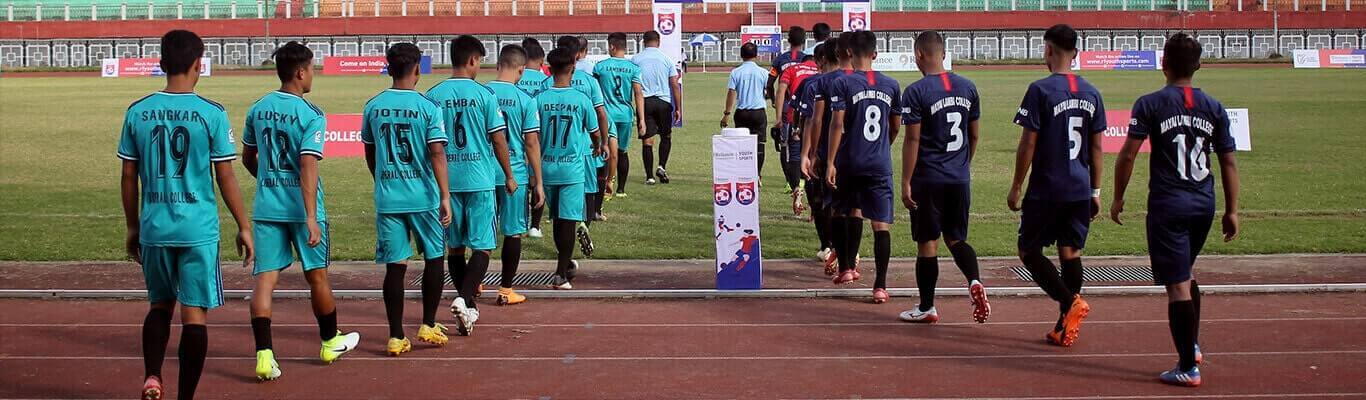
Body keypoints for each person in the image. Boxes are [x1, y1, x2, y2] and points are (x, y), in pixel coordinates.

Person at [118, 29, 254, 400]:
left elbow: (128, 176)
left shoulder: (138, 111)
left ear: (161, 63)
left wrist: (133, 226)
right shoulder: (211, 113)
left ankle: (152, 376)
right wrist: (244, 226)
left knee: (160, 305)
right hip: (198, 230)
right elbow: (225, 176)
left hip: (155, 228)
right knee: (194, 314)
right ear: (199, 63)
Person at [1110, 33, 1240, 387]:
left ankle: (1187, 366)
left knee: (1177, 285)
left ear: (1163, 63)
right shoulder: (1214, 106)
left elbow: (1128, 155)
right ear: (1198, 66)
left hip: (1169, 205)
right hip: (1204, 203)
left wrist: (1118, 197)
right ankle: (1192, 345)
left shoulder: (1150, 104)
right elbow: (1228, 161)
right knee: (1187, 273)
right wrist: (1232, 210)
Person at [242, 41, 361, 380]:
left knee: (265, 280)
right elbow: (308, 162)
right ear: (299, 72)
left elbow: (248, 157)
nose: (313, 75)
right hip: (301, 210)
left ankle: (264, 356)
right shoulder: (312, 114)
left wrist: (269, 181)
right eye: (311, 69)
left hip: (267, 208)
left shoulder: (258, 108)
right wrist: (310, 216)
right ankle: (330, 341)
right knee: (317, 276)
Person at [1008, 24, 1105, 347]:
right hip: (1079, 186)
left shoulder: (1040, 90)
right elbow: (1097, 148)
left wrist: (1016, 185)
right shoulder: (1092, 92)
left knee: (1028, 250)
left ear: (1048, 49)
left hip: (1048, 187)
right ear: (1075, 52)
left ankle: (1069, 303)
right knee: (1070, 251)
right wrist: (1095, 191)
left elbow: (1028, 143)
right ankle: (1064, 326)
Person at [361, 42, 454, 356]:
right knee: (434, 258)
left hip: (389, 197)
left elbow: (370, 152)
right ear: (417, 69)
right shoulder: (428, 107)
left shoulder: (373, 105)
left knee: (395, 267)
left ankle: (396, 335)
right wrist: (445, 195)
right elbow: (437, 153)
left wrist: (381, 179)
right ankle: (428, 324)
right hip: (423, 197)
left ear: (388, 68)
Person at [895, 31, 990, 324]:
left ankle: (927, 307)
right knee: (956, 237)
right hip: (958, 177)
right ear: (944, 53)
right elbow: (974, 135)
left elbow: (912, 140)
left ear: (918, 55)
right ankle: (974, 280)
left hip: (928, 178)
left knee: (928, 243)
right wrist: (962, 164)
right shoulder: (968, 87)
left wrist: (906, 181)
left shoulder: (915, 91)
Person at [426, 35, 514, 337]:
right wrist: (509, 174)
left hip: (447, 182)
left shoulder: (433, 95)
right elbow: (498, 139)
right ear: (473, 60)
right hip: (479, 179)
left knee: (455, 247)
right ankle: (465, 299)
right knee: (483, 246)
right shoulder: (484, 94)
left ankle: (468, 307)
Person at [823, 30, 901, 304]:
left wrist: (830, 161)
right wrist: (882, 146)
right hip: (879, 163)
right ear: (875, 54)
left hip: (849, 161)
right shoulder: (891, 85)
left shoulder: (843, 83)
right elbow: (895, 126)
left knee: (842, 210)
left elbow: (837, 124)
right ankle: (880, 286)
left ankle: (846, 268)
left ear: (848, 53)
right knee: (880, 225)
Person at [535, 47, 602, 290]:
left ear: (549, 69)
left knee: (556, 219)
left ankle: (563, 265)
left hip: (547, 167)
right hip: (572, 169)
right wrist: (598, 146)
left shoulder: (539, 99)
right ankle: (560, 273)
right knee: (569, 220)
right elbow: (595, 132)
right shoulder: (581, 99)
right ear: (573, 68)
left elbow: (532, 136)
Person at [488, 44, 546, 306]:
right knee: (513, 233)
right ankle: (505, 289)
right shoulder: (525, 99)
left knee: (481, 230)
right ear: (522, 70)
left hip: (484, 173)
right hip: (515, 175)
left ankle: (475, 283)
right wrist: (539, 181)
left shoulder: (483, 93)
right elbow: (531, 143)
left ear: (497, 65)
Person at [543, 36, 609, 254]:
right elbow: (600, 113)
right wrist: (602, 143)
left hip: (549, 158)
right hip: (582, 150)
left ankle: (565, 253)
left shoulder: (544, 88)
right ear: (577, 57)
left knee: (557, 214)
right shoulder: (588, 83)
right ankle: (584, 223)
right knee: (588, 188)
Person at [795, 42, 843, 274]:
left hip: (822, 151)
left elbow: (809, 120)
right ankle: (846, 250)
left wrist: (807, 153)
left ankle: (829, 246)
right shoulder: (855, 81)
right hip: (848, 151)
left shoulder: (813, 83)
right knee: (845, 204)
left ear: (821, 59)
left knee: (822, 202)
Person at [594, 32, 646, 198]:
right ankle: (621, 189)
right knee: (622, 152)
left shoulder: (600, 67)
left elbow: (594, 92)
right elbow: (638, 93)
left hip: (606, 116)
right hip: (625, 115)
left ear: (611, 46)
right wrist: (642, 119)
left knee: (606, 150)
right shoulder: (633, 68)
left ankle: (605, 184)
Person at [633, 30, 683, 184]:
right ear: (659, 42)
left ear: (643, 42)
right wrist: (678, 108)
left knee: (647, 140)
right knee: (666, 136)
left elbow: (632, 84)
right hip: (663, 102)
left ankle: (649, 176)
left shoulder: (636, 60)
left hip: (645, 102)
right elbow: (674, 84)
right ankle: (661, 166)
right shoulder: (666, 59)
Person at [720, 42, 770, 175]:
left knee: (742, 145)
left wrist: (726, 114)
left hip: (741, 113)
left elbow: (731, 93)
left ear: (741, 55)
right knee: (759, 144)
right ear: (756, 55)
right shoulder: (764, 72)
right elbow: (769, 91)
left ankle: (745, 173)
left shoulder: (736, 72)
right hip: (758, 112)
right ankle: (757, 174)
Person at [519, 38, 550, 239]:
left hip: (513, 138)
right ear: (541, 61)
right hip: (538, 138)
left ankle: (518, 221)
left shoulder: (515, 77)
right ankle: (535, 226)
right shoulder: (545, 81)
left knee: (520, 182)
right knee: (537, 180)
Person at [777, 53, 820, 192]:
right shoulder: (821, 72)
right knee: (815, 153)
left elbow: (781, 91)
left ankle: (796, 187)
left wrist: (778, 118)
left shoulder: (792, 69)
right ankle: (813, 186)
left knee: (794, 154)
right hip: (819, 120)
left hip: (795, 117)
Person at [767, 26, 806, 109]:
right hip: (803, 105)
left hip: (785, 105)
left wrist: (774, 100)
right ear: (804, 41)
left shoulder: (779, 59)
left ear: (788, 40)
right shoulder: (807, 60)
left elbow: (769, 83)